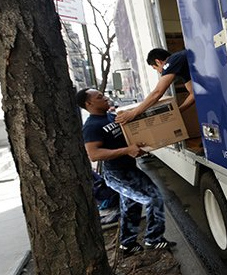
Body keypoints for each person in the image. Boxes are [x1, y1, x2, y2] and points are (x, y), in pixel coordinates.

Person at [76, 88, 176, 256]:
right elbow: (94, 154)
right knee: (153, 198)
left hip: (129, 169)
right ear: (89, 103)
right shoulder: (91, 126)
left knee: (131, 205)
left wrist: (139, 147)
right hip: (117, 174)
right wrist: (127, 150)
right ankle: (153, 239)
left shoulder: (110, 116)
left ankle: (127, 244)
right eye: (100, 97)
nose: (106, 97)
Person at [116, 48, 195, 125]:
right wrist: (179, 110)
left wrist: (133, 113)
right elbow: (194, 94)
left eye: (155, 68)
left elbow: (157, 92)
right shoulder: (182, 67)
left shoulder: (171, 62)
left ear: (158, 62)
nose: (160, 72)